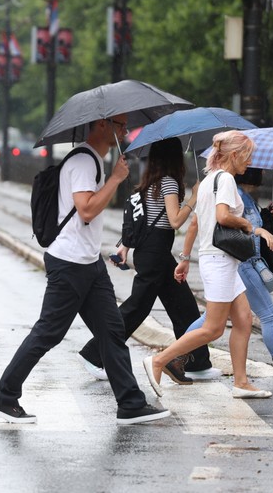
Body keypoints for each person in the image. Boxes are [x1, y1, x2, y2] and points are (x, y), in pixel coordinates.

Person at [0, 116, 171, 425]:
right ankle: (5, 396)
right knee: (48, 333)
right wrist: (115, 179)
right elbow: (86, 209)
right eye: (120, 125)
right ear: (102, 125)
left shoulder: (93, 160)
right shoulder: (85, 162)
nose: (125, 131)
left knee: (111, 332)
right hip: (70, 264)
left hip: (88, 264)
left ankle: (130, 403)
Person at [143, 130, 273, 399]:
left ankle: (241, 382)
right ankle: (159, 360)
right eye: (247, 157)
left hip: (219, 259)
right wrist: (250, 226)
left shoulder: (207, 181)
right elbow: (223, 217)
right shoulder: (225, 179)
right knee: (213, 328)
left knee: (244, 320)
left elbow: (195, 223)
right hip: (220, 261)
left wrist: (185, 258)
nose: (249, 163)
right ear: (234, 155)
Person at [78, 137, 219, 385]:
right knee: (136, 309)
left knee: (183, 305)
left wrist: (125, 246)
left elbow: (142, 222)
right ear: (175, 158)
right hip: (155, 255)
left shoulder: (151, 183)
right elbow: (175, 221)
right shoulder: (169, 183)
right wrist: (194, 197)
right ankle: (93, 354)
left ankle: (198, 363)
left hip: (155, 254)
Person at [178, 167, 273, 387]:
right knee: (268, 314)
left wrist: (266, 217)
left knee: (212, 319)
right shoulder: (232, 191)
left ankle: (176, 359)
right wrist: (256, 227)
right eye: (257, 167)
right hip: (243, 264)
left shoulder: (244, 196)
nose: (261, 171)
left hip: (238, 264)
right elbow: (233, 226)